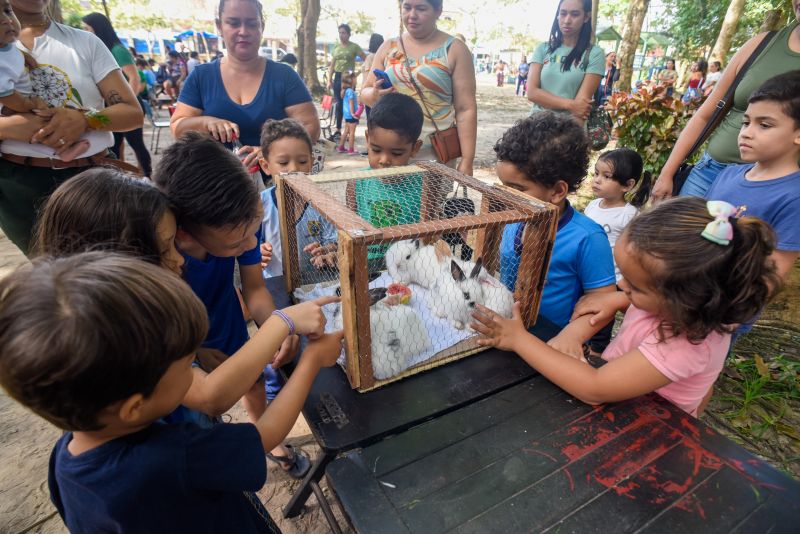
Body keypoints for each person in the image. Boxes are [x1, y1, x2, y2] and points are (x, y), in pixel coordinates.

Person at [0, 252, 343, 532]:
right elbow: (264, 435)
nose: (195, 371)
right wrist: (311, 360)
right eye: (187, 367)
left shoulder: (65, 457)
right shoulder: (176, 456)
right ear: (134, 407)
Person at [473, 196, 779, 417]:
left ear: (683, 298)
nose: (623, 287)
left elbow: (594, 389)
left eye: (634, 286)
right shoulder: (679, 305)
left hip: (651, 424)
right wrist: (619, 299)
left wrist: (519, 340)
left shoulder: (687, 345)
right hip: (624, 392)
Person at [153, 132, 313, 478]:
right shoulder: (161, 259)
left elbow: (254, 289)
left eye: (253, 232)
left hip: (226, 323)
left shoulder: (239, 222)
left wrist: (275, 323)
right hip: (180, 343)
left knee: (253, 383)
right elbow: (208, 394)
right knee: (197, 418)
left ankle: (266, 437)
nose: (249, 244)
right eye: (235, 243)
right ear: (184, 234)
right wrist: (196, 353)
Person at [0, 0, 143, 256]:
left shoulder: (86, 42)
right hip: (19, 189)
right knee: (56, 282)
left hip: (92, 178)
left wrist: (86, 119)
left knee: (114, 270)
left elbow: (132, 113)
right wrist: (8, 127)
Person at [652, 12, 800, 200]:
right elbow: (705, 115)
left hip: (773, 189)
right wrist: (667, 173)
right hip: (710, 172)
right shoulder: (762, 44)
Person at [493, 112, 616, 332]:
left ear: (557, 191)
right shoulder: (514, 218)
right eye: (503, 186)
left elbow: (602, 302)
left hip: (550, 339)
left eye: (516, 189)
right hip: (506, 328)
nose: (505, 196)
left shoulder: (588, 238)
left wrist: (572, 337)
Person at [171, 0, 319, 172]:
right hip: (214, 185)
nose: (243, 31)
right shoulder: (201, 77)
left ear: (261, 26)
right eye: (233, 23)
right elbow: (178, 128)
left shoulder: (284, 76)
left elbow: (311, 127)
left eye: (251, 23)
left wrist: (270, 152)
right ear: (219, 26)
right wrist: (206, 122)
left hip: (275, 186)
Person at [304, 92, 425, 269]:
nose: (384, 160)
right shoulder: (357, 181)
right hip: (365, 266)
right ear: (368, 139)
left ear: (415, 148)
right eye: (376, 150)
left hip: (407, 268)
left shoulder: (424, 185)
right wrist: (335, 248)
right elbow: (350, 231)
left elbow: (428, 238)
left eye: (397, 153)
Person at [704, 71, 800, 288]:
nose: (746, 133)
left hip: (725, 313)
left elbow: (772, 275)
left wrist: (731, 320)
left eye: (764, 125)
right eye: (746, 122)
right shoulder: (728, 174)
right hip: (687, 295)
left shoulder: (794, 197)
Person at [360, 0, 477, 175]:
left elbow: (465, 109)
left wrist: (467, 160)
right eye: (407, 7)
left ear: (438, 10)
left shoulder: (455, 50)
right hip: (390, 151)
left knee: (429, 203)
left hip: (434, 154)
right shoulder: (388, 47)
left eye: (421, 8)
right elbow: (364, 92)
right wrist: (374, 95)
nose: (412, 15)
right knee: (386, 202)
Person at [258, 118, 336, 282]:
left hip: (316, 282)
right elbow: (250, 244)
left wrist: (327, 250)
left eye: (302, 161)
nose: (294, 169)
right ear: (266, 166)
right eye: (283, 162)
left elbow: (333, 241)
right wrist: (259, 251)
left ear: (312, 162)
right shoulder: (259, 205)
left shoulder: (322, 203)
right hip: (275, 281)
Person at [82, 12, 153, 177]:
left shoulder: (117, 50)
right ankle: (118, 177)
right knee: (114, 145)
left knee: (136, 144)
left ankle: (147, 176)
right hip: (111, 109)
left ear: (98, 28)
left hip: (128, 106)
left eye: (87, 28)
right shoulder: (99, 50)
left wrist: (128, 104)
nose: (85, 32)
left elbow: (134, 77)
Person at [527, 0, 604, 124]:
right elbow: (531, 92)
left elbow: (580, 108)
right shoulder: (543, 49)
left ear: (586, 17)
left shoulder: (594, 54)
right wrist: (570, 105)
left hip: (569, 130)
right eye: (563, 13)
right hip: (535, 129)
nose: (567, 20)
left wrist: (571, 141)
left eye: (575, 14)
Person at [584, 148, 652, 283]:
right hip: (587, 271)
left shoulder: (629, 215)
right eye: (596, 173)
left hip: (612, 280)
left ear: (627, 185)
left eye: (606, 176)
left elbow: (637, 251)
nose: (597, 180)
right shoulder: (592, 205)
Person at [327, 23, 366, 141]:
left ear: (349, 34)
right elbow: (332, 65)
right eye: (340, 33)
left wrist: (357, 73)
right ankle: (338, 130)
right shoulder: (336, 47)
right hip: (338, 76)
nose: (341, 35)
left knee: (349, 103)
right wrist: (329, 80)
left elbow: (366, 59)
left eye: (343, 33)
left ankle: (349, 130)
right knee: (339, 104)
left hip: (349, 77)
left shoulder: (354, 47)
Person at [361, 33, 384, 118]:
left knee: (370, 119)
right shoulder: (382, 56)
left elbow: (367, 77)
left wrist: (361, 94)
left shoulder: (370, 57)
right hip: (378, 91)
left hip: (369, 91)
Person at [337, 71, 359, 154]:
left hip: (347, 115)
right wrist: (353, 113)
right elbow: (351, 103)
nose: (356, 79)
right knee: (352, 132)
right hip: (351, 114)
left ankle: (341, 147)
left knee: (346, 131)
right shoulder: (350, 91)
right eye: (355, 78)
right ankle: (351, 149)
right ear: (351, 80)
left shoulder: (345, 90)